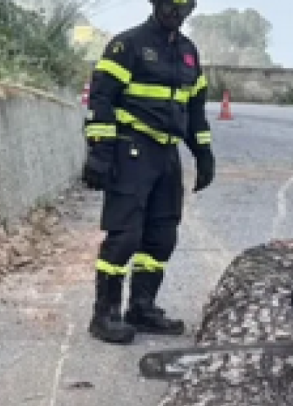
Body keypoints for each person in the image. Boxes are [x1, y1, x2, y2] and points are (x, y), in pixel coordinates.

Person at [81, 0, 216, 345]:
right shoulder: (128, 45)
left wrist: (203, 153)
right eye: (170, 6)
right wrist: (100, 152)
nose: (175, 14)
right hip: (131, 151)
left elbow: (195, 108)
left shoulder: (188, 52)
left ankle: (141, 308)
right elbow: (102, 99)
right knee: (124, 236)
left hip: (166, 155)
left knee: (162, 237)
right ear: (156, 4)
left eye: (182, 9)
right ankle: (104, 314)